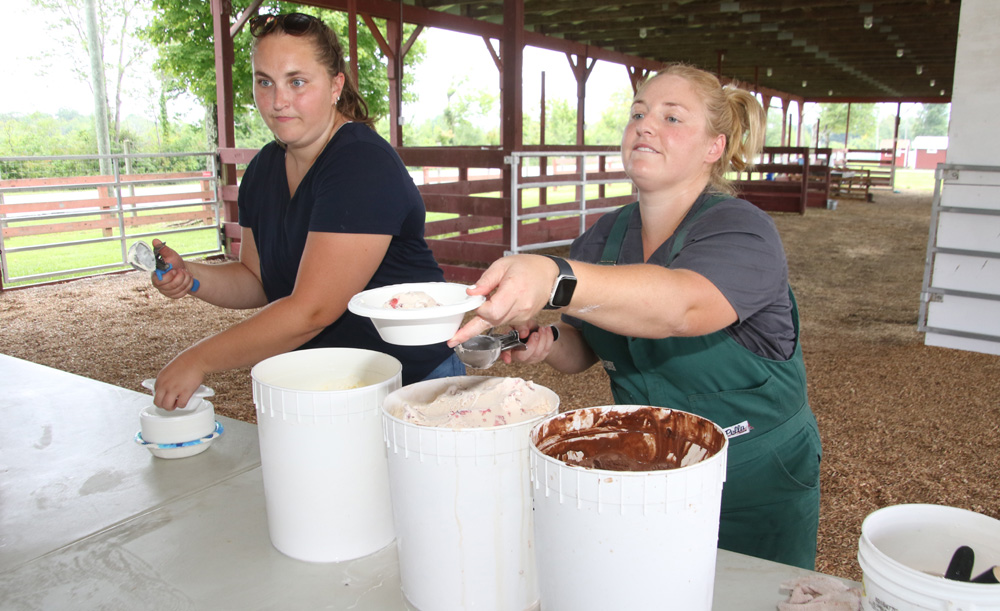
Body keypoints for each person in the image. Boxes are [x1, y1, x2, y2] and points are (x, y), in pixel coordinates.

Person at [448, 64, 822, 570]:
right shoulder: (604, 236)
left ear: (714, 146)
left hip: (753, 476)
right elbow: (587, 345)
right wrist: (551, 339)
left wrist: (555, 276)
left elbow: (680, 308)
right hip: (647, 466)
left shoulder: (744, 232)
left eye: (672, 117)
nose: (645, 125)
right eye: (638, 113)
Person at [148, 12, 461, 410]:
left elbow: (313, 309)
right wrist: (192, 277)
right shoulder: (262, 170)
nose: (279, 101)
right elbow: (257, 279)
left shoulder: (360, 163)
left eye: (297, 82)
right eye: (265, 82)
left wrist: (199, 358)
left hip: (412, 386)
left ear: (335, 85)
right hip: (329, 385)